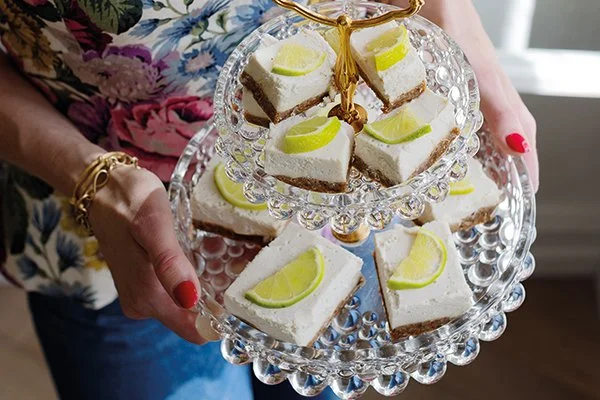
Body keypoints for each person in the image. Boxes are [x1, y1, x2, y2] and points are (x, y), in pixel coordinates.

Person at [0, 0, 537, 399]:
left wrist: (449, 20)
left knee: (324, 365)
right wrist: (92, 176)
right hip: (109, 229)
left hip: (344, 165)